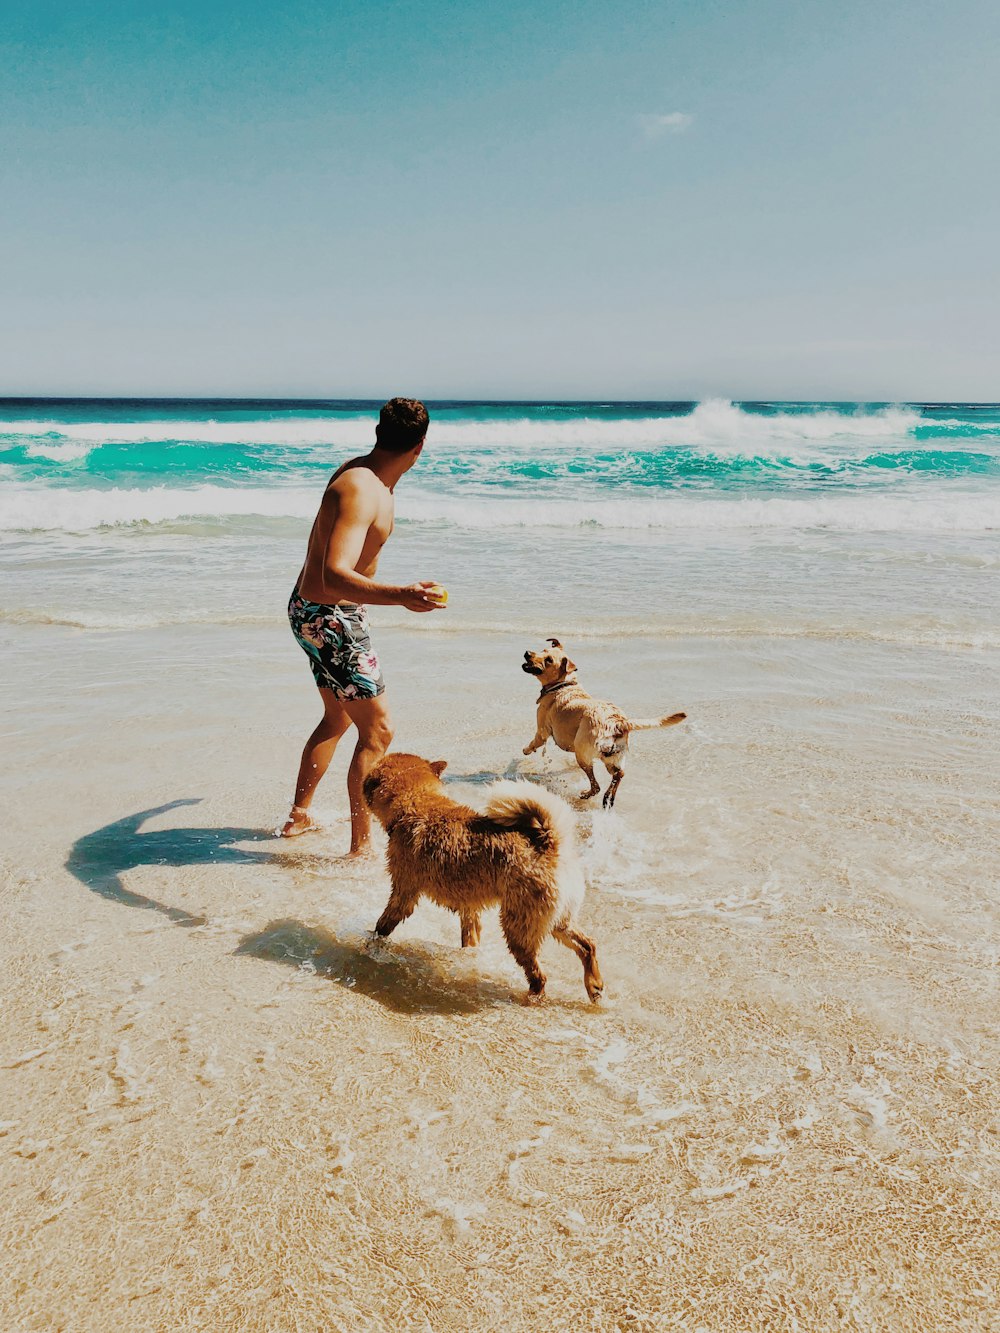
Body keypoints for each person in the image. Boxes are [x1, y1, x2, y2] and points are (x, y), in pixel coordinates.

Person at [281, 397, 443, 853]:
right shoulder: (362, 488)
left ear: (378, 432)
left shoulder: (363, 473)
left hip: (313, 612)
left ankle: (299, 818)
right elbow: (334, 573)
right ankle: (361, 848)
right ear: (420, 447)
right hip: (330, 616)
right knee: (378, 732)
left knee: (337, 717)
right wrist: (403, 596)